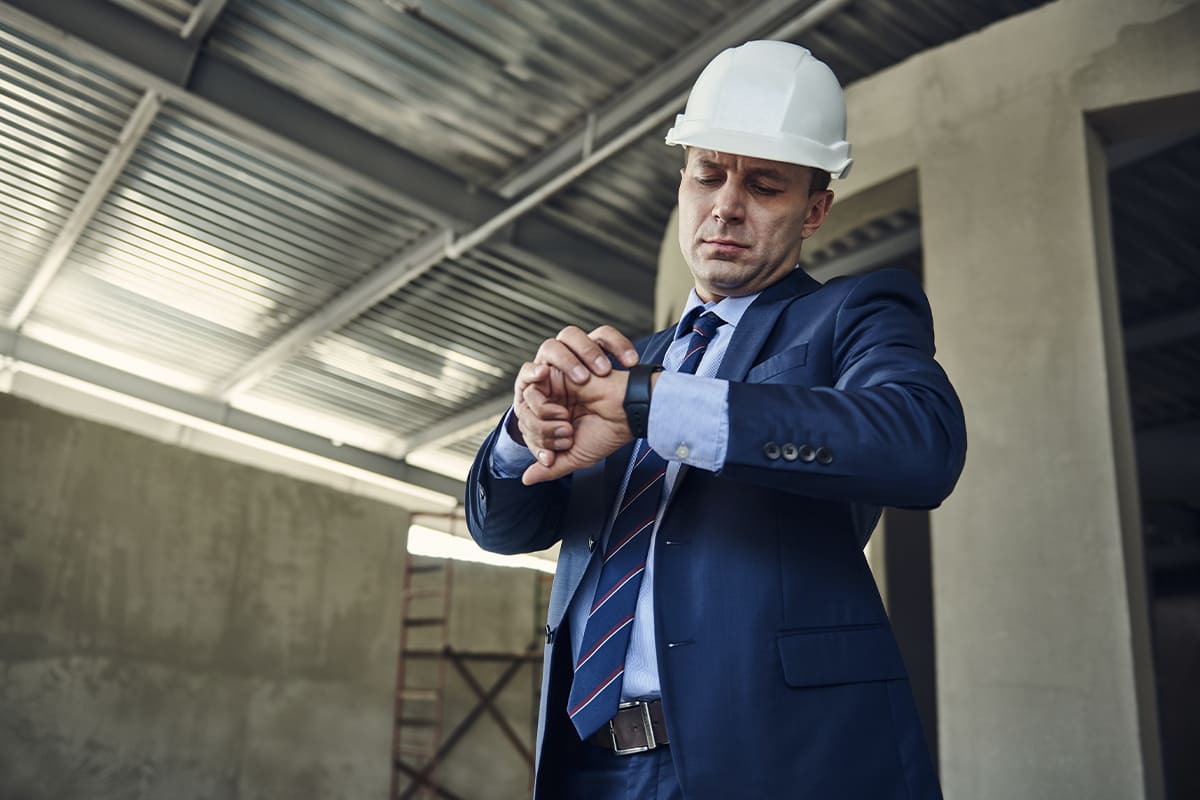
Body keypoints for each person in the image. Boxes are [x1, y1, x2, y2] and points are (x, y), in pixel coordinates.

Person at [466, 40, 966, 799]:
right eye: (707, 175)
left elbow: (920, 445)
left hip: (773, 756)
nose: (726, 205)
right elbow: (502, 529)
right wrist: (522, 431)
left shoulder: (851, 314)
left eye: (765, 185)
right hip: (590, 764)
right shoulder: (626, 365)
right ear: (683, 185)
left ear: (815, 209)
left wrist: (654, 405)